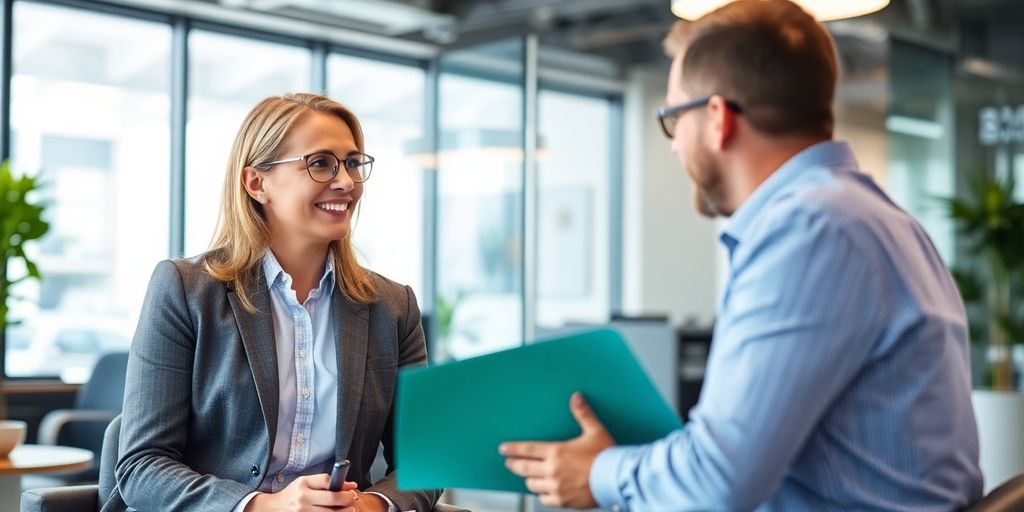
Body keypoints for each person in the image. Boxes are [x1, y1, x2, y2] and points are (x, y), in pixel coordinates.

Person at [500, 1, 983, 510]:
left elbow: (719, 480)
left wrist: (598, 473)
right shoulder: (878, 220)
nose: (672, 146)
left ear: (716, 118)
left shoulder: (810, 229)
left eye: (671, 119)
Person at [104, 93, 440, 512]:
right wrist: (262, 506)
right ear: (256, 183)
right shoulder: (184, 291)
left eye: (353, 163)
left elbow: (425, 463)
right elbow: (142, 467)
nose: (347, 182)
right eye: (320, 163)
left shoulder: (393, 306)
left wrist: (370, 506)